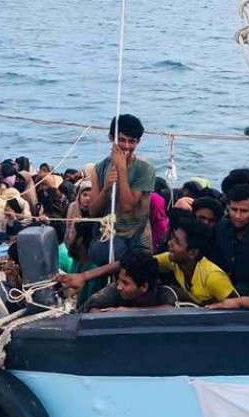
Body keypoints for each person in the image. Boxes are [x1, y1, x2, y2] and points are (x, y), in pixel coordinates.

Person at [57, 217, 235, 306]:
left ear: (193, 252)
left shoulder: (213, 276)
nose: (169, 244)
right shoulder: (173, 260)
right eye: (171, 239)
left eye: (177, 242)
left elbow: (238, 311)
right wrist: (84, 276)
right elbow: (131, 263)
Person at [88, 114, 157, 259]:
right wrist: (106, 188)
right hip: (108, 234)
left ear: (138, 142)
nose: (126, 146)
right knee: (98, 252)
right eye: (122, 140)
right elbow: (93, 212)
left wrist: (122, 170)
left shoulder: (145, 169)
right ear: (111, 138)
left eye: (132, 141)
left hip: (136, 235)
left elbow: (127, 207)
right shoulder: (98, 169)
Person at [82, 249, 180, 313]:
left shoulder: (163, 294)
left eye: (125, 283)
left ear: (144, 287)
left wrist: (130, 311)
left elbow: (170, 309)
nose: (119, 286)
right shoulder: (116, 290)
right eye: (119, 280)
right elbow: (92, 306)